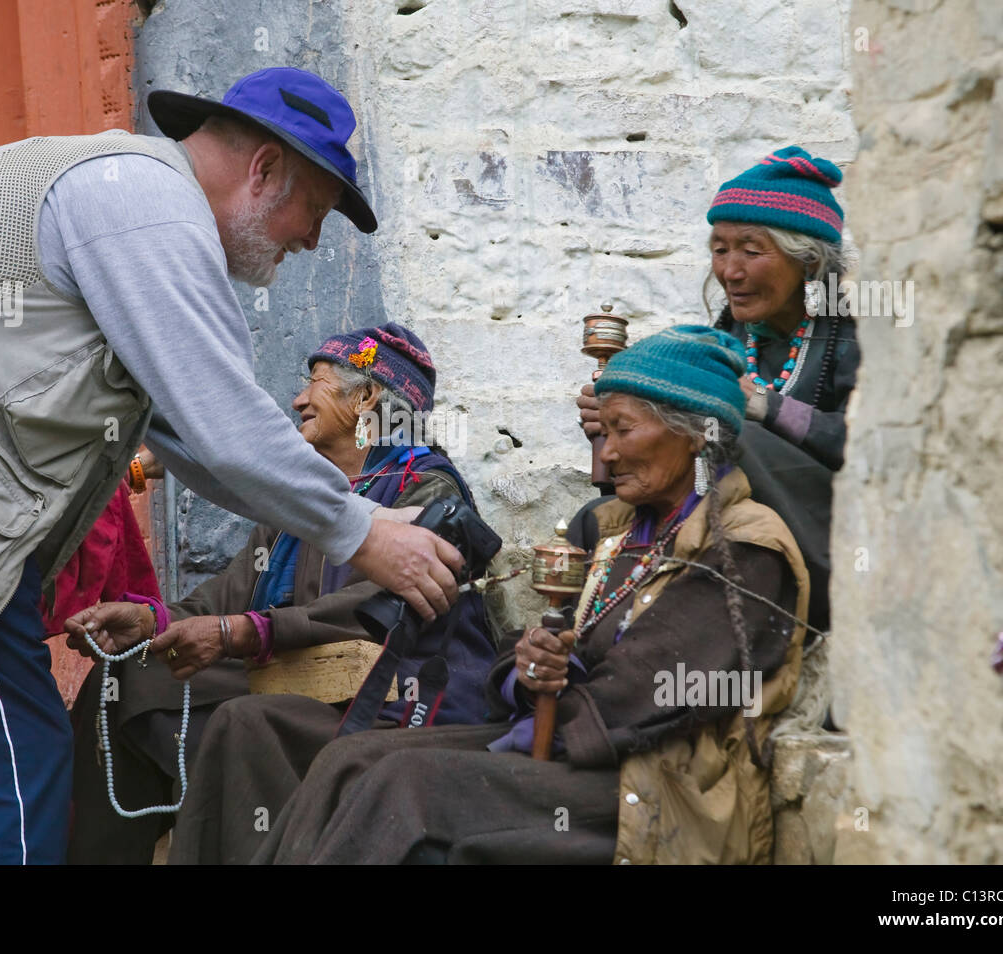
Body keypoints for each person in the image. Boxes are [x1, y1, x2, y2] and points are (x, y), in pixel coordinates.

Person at [0, 67, 463, 864]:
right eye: (316, 209)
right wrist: (363, 531)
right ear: (264, 168)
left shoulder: (117, 190)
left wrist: (351, 514)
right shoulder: (148, 207)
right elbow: (223, 423)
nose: (311, 241)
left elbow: (191, 434)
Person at [230, 326, 810, 864]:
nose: (604, 455)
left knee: (404, 784)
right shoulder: (611, 529)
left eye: (623, 431)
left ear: (692, 433)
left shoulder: (744, 547)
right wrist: (526, 669)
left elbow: (643, 691)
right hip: (568, 733)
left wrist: (528, 717)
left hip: (652, 777)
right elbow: (529, 645)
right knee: (347, 760)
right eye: (601, 433)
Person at [63, 324, 497, 864]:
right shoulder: (305, 495)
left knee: (244, 724)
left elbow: (375, 608)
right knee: (124, 678)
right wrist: (149, 623)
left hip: (381, 693)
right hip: (287, 668)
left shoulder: (430, 490)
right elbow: (225, 596)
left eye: (313, 382)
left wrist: (246, 632)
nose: (297, 399)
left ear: (366, 398)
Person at [579, 146, 858, 632]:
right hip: (716, 513)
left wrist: (762, 407)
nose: (730, 270)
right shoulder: (733, 335)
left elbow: (868, 448)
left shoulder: (853, 333)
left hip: (825, 531)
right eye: (720, 248)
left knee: (728, 433)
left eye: (751, 250)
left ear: (809, 262)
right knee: (593, 521)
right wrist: (620, 430)